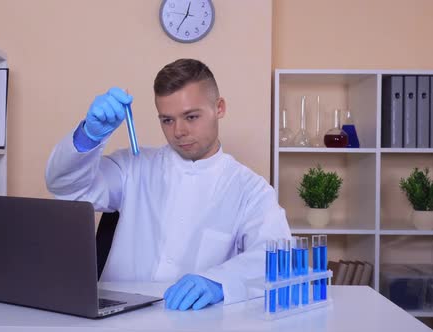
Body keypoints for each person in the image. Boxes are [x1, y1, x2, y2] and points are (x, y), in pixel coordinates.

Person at [45, 58, 291, 311]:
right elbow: (66, 188)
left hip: (196, 322)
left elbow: (277, 258)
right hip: (117, 320)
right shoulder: (133, 166)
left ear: (219, 108)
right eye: (167, 120)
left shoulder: (250, 189)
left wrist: (218, 281)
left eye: (191, 116)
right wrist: (89, 136)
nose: (179, 131)